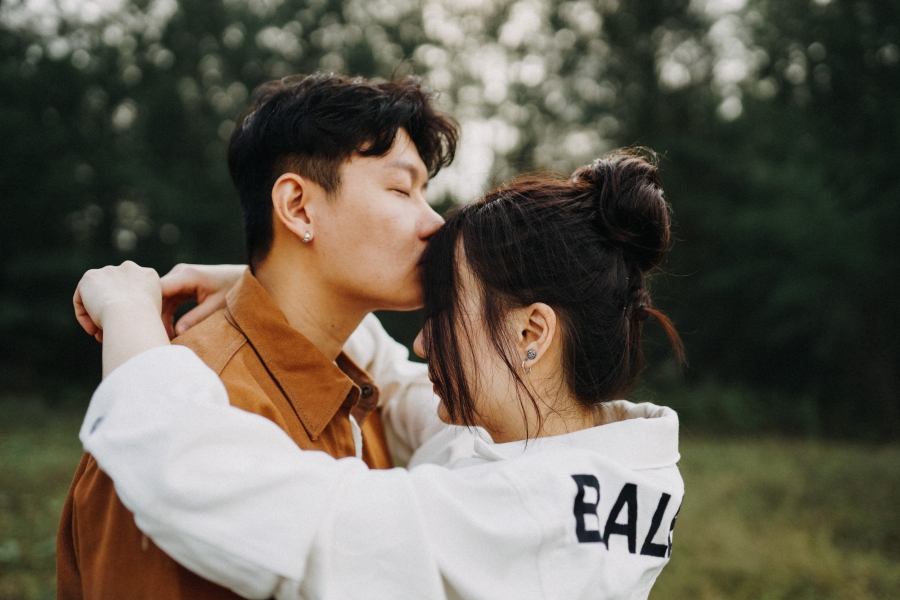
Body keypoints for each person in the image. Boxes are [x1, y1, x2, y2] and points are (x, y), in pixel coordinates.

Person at [73, 151, 686, 600]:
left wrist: (130, 316)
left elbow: (202, 481)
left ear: (531, 334)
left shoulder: (514, 515)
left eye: (446, 313)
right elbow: (397, 383)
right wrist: (276, 288)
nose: (422, 342)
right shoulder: (600, 465)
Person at [57, 73, 458, 599]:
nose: (435, 224)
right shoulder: (166, 423)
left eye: (425, 193)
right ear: (297, 207)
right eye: (402, 189)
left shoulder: (357, 393)